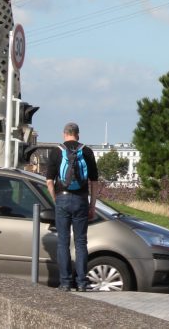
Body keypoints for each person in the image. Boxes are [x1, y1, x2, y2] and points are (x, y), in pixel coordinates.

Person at [45, 122, 101, 292]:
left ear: (64, 134)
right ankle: (82, 283)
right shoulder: (87, 151)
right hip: (81, 200)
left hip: (62, 199)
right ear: (78, 134)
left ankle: (65, 283)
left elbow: (49, 181)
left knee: (63, 242)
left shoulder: (56, 151)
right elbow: (94, 181)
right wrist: (92, 205)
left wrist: (56, 199)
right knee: (81, 242)